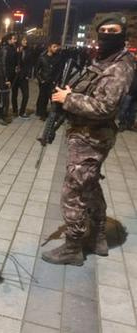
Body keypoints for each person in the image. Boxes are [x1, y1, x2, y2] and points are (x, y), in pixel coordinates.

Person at [41, 14, 135, 266]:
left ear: (123, 33)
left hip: (91, 138)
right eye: (102, 30)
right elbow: (94, 92)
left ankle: (73, 247)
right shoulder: (106, 61)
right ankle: (99, 236)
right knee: (90, 186)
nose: (106, 34)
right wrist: (73, 92)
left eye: (112, 30)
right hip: (88, 135)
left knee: (73, 192)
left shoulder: (120, 67)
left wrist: (67, 100)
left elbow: (105, 107)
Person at [0, 33, 17, 125]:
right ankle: (1, 116)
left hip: (5, 76)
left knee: (1, 95)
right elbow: (3, 65)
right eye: (14, 39)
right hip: (3, 77)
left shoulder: (11, 49)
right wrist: (7, 79)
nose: (15, 40)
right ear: (9, 40)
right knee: (4, 97)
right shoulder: (5, 50)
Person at [35, 42, 61, 120]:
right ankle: (42, 114)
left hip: (53, 82)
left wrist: (56, 81)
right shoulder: (42, 57)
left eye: (57, 47)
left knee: (54, 99)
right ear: (49, 48)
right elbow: (36, 70)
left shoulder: (58, 58)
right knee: (43, 98)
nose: (56, 48)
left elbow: (59, 71)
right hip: (44, 81)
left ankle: (54, 115)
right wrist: (41, 80)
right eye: (54, 47)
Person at [11, 36, 32, 118]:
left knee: (26, 95)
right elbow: (12, 62)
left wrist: (28, 75)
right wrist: (18, 53)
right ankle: (15, 111)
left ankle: (22, 111)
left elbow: (30, 64)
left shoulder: (29, 51)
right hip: (15, 76)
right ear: (20, 41)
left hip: (24, 76)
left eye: (26, 40)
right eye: (24, 40)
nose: (25, 42)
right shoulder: (15, 49)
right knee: (14, 94)